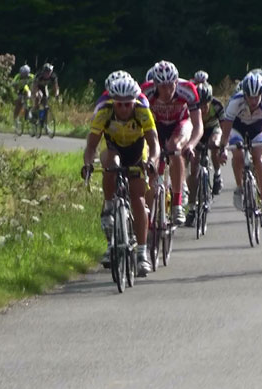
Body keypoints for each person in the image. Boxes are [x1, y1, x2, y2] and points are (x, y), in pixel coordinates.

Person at [82, 76, 160, 275]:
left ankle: (142, 253)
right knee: (111, 164)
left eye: (128, 104)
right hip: (114, 149)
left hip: (137, 152)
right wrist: (88, 165)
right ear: (112, 102)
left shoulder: (142, 111)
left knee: (138, 199)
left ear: (134, 101)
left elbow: (154, 143)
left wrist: (151, 162)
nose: (124, 109)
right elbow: (91, 145)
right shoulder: (104, 112)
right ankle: (109, 205)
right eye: (120, 104)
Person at [140, 60, 203, 225]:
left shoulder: (188, 89)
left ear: (176, 81)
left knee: (175, 148)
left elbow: (198, 125)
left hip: (180, 124)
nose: (167, 91)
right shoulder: (145, 92)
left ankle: (177, 203)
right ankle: (150, 221)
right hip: (157, 126)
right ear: (155, 84)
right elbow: (140, 125)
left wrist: (190, 145)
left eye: (170, 85)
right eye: (162, 87)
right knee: (154, 168)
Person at [218, 72, 262, 225]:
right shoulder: (235, 102)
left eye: (257, 97)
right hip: (238, 128)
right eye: (250, 97)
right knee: (237, 153)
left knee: (259, 158)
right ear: (244, 94)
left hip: (258, 128)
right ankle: (239, 188)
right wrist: (223, 149)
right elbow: (226, 132)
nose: (253, 100)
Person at [185, 82, 225, 227]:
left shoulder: (217, 106)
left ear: (210, 101)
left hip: (213, 129)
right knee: (194, 168)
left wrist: (223, 148)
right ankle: (191, 208)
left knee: (214, 144)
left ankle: (217, 175)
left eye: (205, 105)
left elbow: (224, 127)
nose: (202, 108)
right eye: (199, 105)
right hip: (197, 132)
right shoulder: (191, 108)